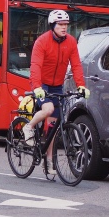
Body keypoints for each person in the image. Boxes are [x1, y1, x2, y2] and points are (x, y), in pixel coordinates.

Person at [25, 9, 86, 149]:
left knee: (53, 127)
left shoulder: (70, 42)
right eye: (60, 24)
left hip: (57, 85)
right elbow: (35, 66)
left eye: (66, 24)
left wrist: (81, 85)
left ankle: (50, 162)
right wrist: (37, 87)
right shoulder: (42, 41)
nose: (64, 27)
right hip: (41, 85)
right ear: (52, 25)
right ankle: (29, 127)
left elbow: (76, 65)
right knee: (48, 109)